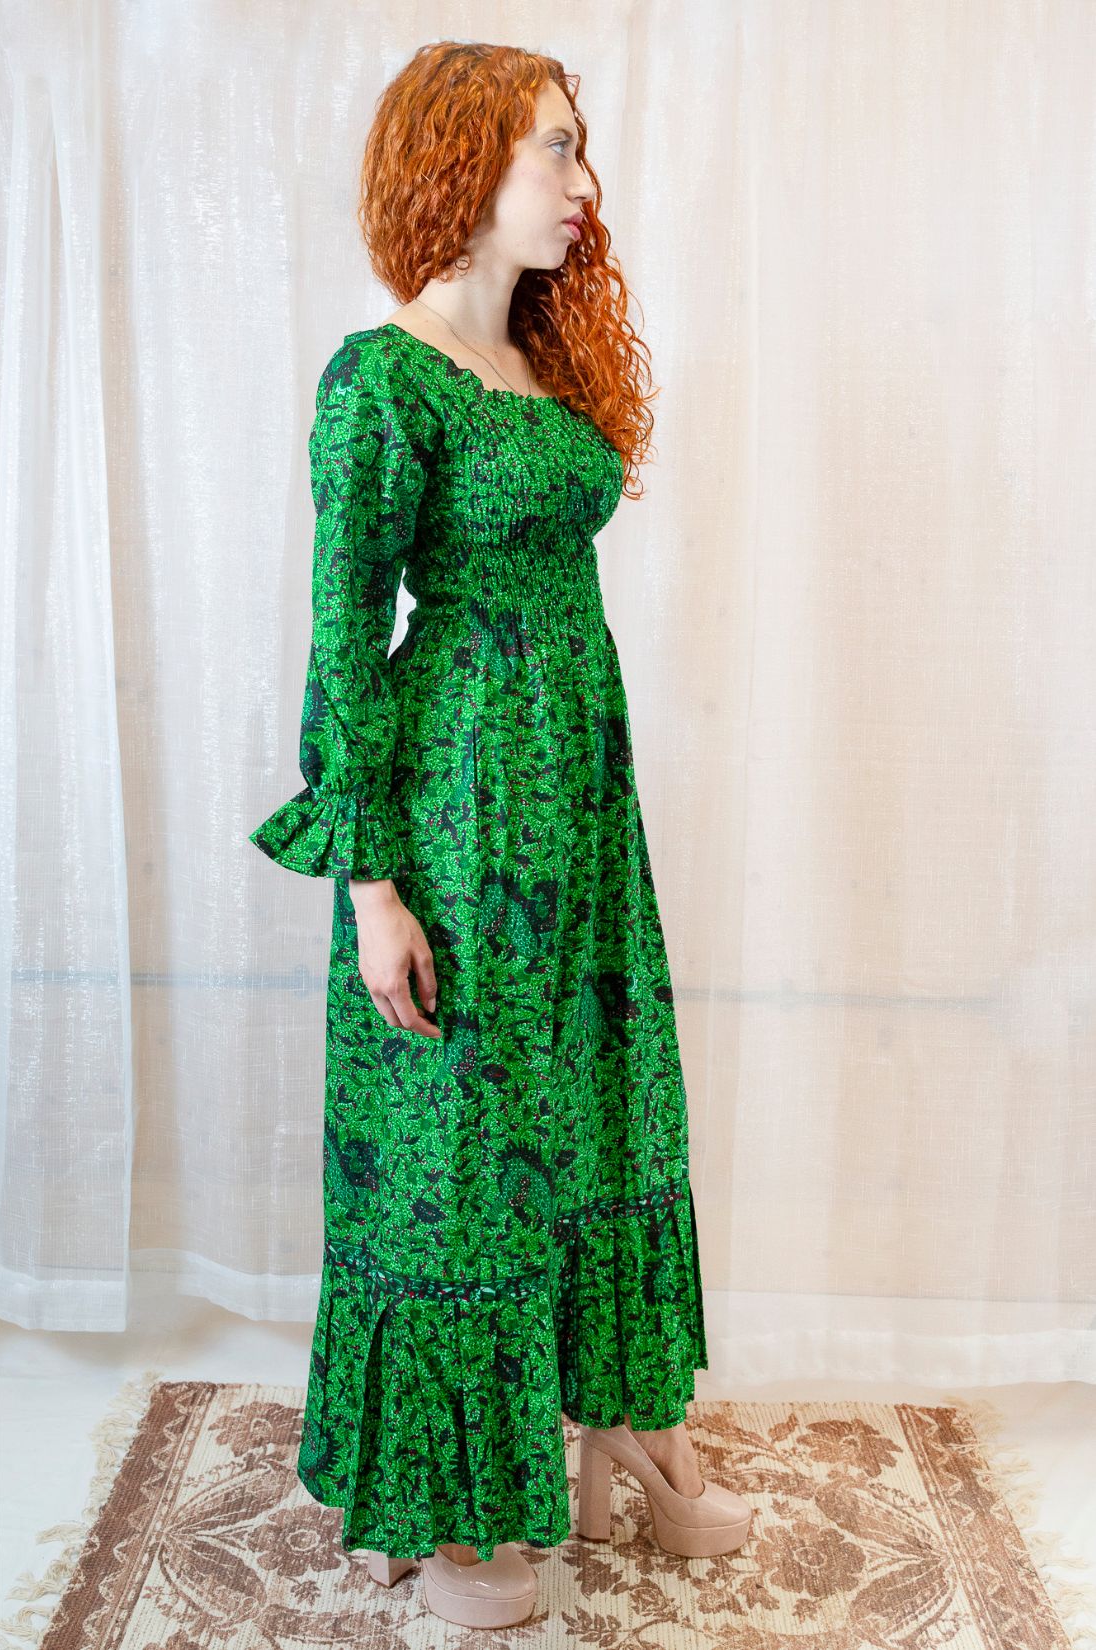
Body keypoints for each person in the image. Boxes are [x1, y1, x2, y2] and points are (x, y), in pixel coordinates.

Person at [249, 40, 752, 1630]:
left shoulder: (545, 354)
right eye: (557, 150)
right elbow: (342, 648)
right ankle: (466, 1517)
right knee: (461, 1146)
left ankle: (629, 1438)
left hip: (582, 790)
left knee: (606, 1095)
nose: (584, 183)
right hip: (461, 804)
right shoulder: (379, 379)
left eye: (582, 151)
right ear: (463, 166)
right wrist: (373, 889)